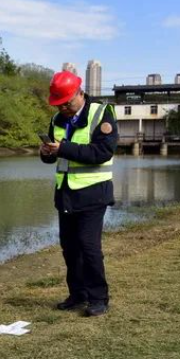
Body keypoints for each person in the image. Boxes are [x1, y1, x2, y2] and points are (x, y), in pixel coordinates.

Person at [39, 71, 118, 317]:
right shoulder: (57, 119)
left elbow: (102, 152)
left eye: (67, 102)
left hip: (93, 193)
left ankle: (98, 298)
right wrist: (47, 152)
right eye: (59, 103)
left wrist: (64, 148)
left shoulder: (101, 114)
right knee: (69, 247)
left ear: (79, 93)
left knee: (89, 246)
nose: (64, 107)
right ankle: (77, 294)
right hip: (66, 194)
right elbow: (53, 159)